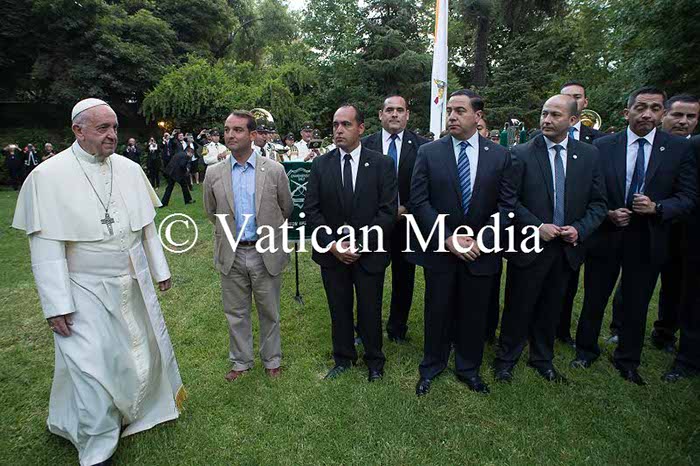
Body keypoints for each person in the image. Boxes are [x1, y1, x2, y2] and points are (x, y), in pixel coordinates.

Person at [11, 98, 185, 466]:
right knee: (90, 367)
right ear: (78, 130)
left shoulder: (129, 169)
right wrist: (57, 305)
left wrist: (160, 270)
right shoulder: (47, 177)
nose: (112, 135)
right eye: (103, 128)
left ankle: (133, 411)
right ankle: (98, 445)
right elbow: (46, 249)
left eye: (115, 128)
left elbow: (146, 227)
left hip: (130, 283)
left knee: (132, 356)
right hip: (83, 289)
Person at [572, 87, 697, 385]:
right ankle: (586, 351)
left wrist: (658, 208)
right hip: (607, 234)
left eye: (654, 108)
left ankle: (627, 360)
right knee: (595, 297)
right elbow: (589, 190)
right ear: (627, 112)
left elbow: (688, 196)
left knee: (637, 302)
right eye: (640, 108)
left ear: (662, 114)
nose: (647, 114)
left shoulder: (678, 149)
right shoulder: (603, 145)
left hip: (648, 237)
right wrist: (607, 213)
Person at [493, 94, 607, 384]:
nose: (547, 119)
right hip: (529, 245)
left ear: (572, 120)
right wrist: (537, 226)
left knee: (552, 306)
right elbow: (509, 200)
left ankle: (542, 359)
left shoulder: (590, 155)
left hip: (566, 248)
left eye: (555, 115)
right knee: (519, 305)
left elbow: (598, 203)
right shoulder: (520, 153)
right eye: (544, 113)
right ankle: (506, 359)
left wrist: (579, 229)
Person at [410, 89, 516, 396]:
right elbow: (419, 201)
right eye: (449, 111)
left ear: (478, 116)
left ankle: (469, 368)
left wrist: (482, 240)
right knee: (437, 311)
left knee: (475, 313)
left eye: (459, 111)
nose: (452, 117)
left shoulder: (500, 155)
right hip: (441, 251)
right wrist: (446, 238)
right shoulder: (429, 152)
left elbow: (507, 206)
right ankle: (432, 366)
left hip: (480, 253)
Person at [303, 104, 397, 382]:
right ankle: (343, 358)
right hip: (332, 255)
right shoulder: (321, 164)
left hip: (369, 253)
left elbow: (387, 211)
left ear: (361, 128)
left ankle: (374, 360)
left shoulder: (382, 164)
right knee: (339, 308)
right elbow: (312, 210)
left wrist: (361, 244)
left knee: (370, 308)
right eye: (335, 125)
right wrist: (332, 245)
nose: (339, 130)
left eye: (345, 124)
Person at [203, 111, 293, 381]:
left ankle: (272, 359)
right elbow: (210, 211)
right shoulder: (214, 173)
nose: (230, 135)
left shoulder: (274, 170)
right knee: (235, 312)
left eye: (238, 130)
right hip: (231, 251)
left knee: (269, 310)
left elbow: (286, 207)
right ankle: (241, 361)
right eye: (227, 129)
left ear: (253, 135)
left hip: (264, 250)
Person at [361, 95, 430, 343]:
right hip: (373, 224)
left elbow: (425, 186)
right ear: (380, 114)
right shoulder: (365, 145)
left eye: (400, 110)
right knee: (369, 278)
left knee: (404, 278)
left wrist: (406, 208)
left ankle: (397, 328)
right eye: (389, 110)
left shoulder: (422, 147)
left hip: (406, 223)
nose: (394, 114)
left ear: (407, 115)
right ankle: (365, 328)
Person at [555, 81, 607, 347]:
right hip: (547, 229)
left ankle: (563, 330)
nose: (572, 100)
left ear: (584, 103)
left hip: (581, 228)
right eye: (567, 96)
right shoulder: (537, 140)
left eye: (577, 97)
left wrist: (581, 227)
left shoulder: (599, 143)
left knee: (571, 282)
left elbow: (599, 193)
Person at [664, 134, 700, 381]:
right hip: (694, 234)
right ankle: (688, 358)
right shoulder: (695, 145)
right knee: (693, 299)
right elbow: (689, 192)